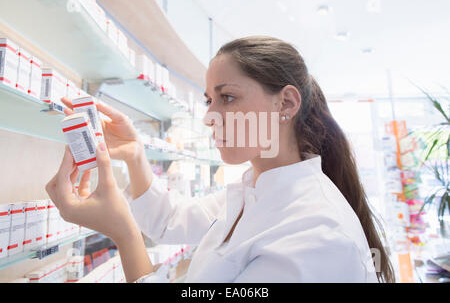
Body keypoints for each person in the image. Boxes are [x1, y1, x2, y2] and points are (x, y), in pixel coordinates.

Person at [46, 36, 395, 283]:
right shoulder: (253, 190)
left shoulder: (316, 232)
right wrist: (136, 155)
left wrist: (124, 233)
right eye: (208, 100)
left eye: (227, 97)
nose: (210, 117)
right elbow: (171, 221)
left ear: (285, 104)